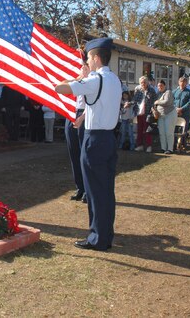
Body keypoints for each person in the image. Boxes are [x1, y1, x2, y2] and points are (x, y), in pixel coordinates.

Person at [55, 37, 121, 251]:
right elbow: (98, 105)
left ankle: (98, 238)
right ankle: (105, 234)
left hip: (95, 140)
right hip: (109, 137)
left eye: (89, 57)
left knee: (95, 191)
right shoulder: (114, 80)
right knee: (106, 190)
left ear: (96, 57)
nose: (87, 61)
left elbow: (60, 89)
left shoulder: (95, 80)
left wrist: (79, 77)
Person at [64, 63, 87, 203]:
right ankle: (80, 187)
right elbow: (62, 86)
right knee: (74, 152)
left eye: (85, 66)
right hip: (73, 112)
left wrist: (82, 117)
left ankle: (88, 189)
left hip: (85, 114)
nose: (83, 68)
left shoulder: (94, 80)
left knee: (84, 154)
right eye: (81, 66)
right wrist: (78, 78)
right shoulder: (78, 79)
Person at [132, 76, 157, 152]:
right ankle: (140, 146)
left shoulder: (151, 90)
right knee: (139, 130)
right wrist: (129, 103)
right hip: (139, 113)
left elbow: (155, 102)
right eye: (141, 82)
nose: (143, 84)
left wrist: (153, 110)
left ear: (147, 82)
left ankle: (149, 146)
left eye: (144, 82)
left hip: (147, 113)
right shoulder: (137, 89)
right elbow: (134, 100)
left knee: (147, 130)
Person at [154, 79, 176, 154]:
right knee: (162, 132)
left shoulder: (168, 92)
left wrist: (157, 102)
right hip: (160, 115)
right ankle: (163, 148)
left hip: (169, 114)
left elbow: (166, 102)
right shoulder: (158, 93)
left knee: (169, 132)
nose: (160, 87)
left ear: (164, 86)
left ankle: (170, 149)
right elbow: (153, 103)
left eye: (161, 86)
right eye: (158, 86)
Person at [172, 76, 190, 152]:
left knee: (184, 130)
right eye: (181, 81)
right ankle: (174, 145)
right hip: (175, 113)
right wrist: (176, 109)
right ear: (179, 82)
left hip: (185, 114)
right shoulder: (175, 91)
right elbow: (172, 101)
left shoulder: (189, 92)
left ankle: (183, 145)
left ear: (186, 83)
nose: (182, 83)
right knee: (175, 129)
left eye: (184, 82)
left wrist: (181, 109)